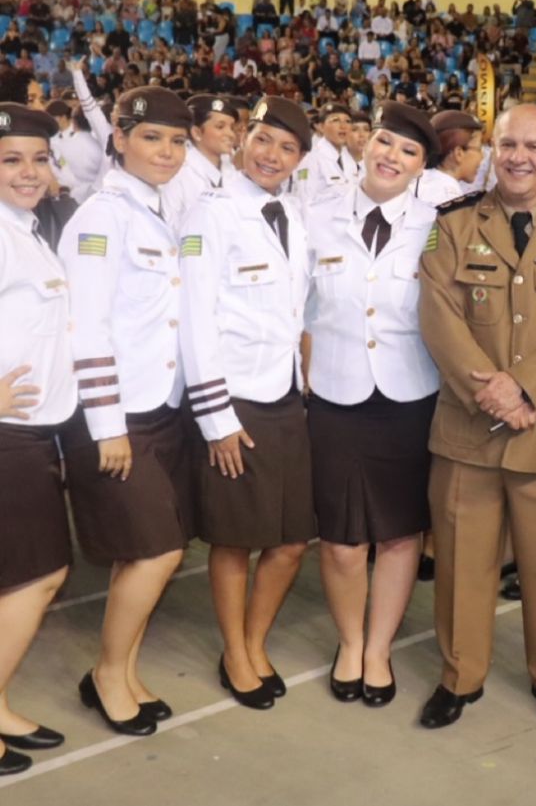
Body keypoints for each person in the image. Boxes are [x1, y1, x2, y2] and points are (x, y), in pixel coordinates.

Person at [416, 104, 536, 732]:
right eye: (506, 144)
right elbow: (437, 312)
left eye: (533, 146)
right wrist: (494, 393)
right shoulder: (451, 225)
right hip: (467, 429)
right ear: (491, 150)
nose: (518, 156)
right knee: (459, 566)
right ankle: (460, 676)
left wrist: (523, 387)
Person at [58, 87, 195, 737]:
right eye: (151, 138)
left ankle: (126, 667)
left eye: (176, 140)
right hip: (118, 417)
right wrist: (107, 423)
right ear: (119, 137)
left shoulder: (158, 208)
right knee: (158, 550)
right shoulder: (101, 217)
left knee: (140, 552)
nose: (166, 151)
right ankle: (107, 674)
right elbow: (86, 326)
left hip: (161, 406)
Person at [178, 98, 316, 711]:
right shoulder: (211, 213)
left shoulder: (293, 211)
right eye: (262, 139)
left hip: (285, 395)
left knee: (290, 540)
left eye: (286, 148)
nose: (271, 155)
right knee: (235, 539)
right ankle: (235, 650)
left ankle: (256, 639)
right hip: (234, 401)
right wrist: (216, 420)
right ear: (241, 140)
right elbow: (194, 320)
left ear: (301, 161)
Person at [304, 102, 440, 708]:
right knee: (339, 539)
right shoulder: (316, 213)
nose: (392, 156)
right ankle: (350, 641)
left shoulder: (439, 222)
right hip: (333, 391)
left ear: (422, 167)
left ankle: (379, 647)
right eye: (384, 141)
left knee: (400, 535)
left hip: (409, 394)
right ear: (366, 143)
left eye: (408, 151)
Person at [0, 104, 74, 776]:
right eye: (11, 159)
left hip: (34, 428)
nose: (28, 171)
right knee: (40, 571)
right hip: (8, 434)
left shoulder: (26, 227)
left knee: (17, 575)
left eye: (38, 158)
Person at [162, 94, 237, 225]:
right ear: (196, 133)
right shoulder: (178, 172)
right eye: (220, 127)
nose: (230, 134)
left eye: (231, 127)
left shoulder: (230, 166)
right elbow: (168, 227)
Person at [414, 109, 482, 208]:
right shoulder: (450, 200)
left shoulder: (416, 180)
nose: (483, 156)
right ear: (459, 153)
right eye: (479, 149)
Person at [294, 102, 356, 207]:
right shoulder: (311, 159)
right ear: (321, 127)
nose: (343, 126)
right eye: (335, 120)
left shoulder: (349, 159)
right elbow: (305, 201)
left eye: (348, 121)